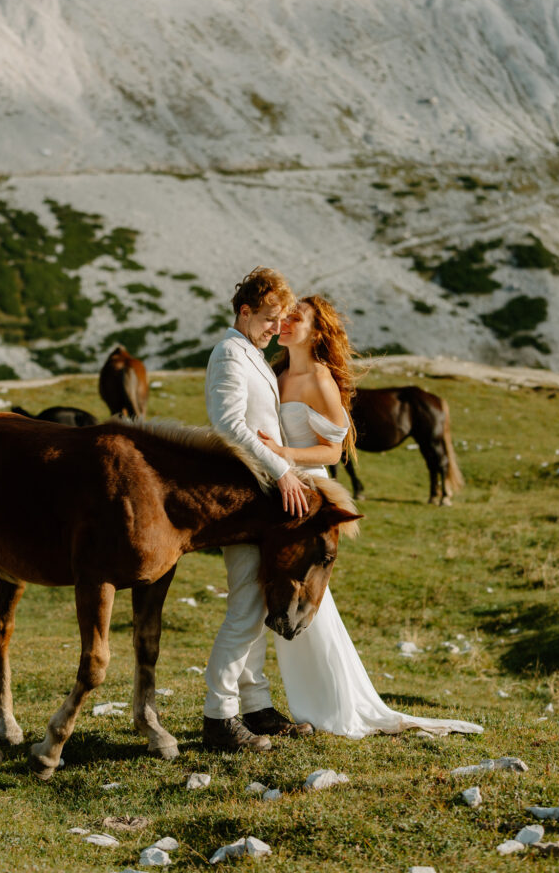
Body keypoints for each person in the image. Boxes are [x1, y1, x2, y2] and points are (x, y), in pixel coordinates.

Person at [258, 295, 483, 739]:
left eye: (295, 318)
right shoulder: (277, 373)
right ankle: (309, 701)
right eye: (283, 317)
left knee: (310, 597)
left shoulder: (320, 379)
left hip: (311, 493)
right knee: (289, 595)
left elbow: (334, 450)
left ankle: (334, 705)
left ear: (316, 332)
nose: (285, 323)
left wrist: (285, 454)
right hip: (281, 491)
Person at [202, 267, 315, 752]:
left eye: (281, 319)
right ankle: (219, 717)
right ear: (244, 312)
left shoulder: (251, 353)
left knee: (255, 603)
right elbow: (227, 424)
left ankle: (257, 707)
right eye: (270, 318)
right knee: (245, 609)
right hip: (243, 496)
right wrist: (282, 469)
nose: (276, 328)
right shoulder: (230, 353)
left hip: (261, 500)